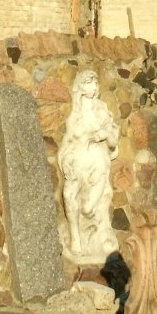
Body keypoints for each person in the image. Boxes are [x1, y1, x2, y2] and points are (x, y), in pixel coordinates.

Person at [58, 69, 119, 261]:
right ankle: (75, 237)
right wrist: (65, 160)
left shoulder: (101, 111)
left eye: (95, 82)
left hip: (97, 163)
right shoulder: (75, 114)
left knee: (87, 208)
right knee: (68, 194)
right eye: (89, 82)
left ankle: (95, 231)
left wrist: (105, 135)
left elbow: (113, 141)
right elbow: (68, 143)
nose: (94, 86)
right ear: (81, 87)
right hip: (78, 162)